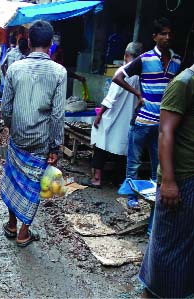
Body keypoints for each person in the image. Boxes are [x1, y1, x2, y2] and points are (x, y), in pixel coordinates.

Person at [0, 20, 66, 247]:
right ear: (50, 44)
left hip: (17, 138)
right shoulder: (59, 72)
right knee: (32, 186)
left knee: (13, 180)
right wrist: (55, 146)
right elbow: (58, 115)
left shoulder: (14, 68)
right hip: (41, 141)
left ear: (28, 41)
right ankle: (23, 232)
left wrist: (13, 127)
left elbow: (5, 108)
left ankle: (11, 224)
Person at [112, 17, 181, 209]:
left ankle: (155, 196)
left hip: (164, 124)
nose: (167, 37)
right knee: (133, 163)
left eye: (169, 34)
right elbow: (118, 77)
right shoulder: (144, 59)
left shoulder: (177, 60)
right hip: (143, 121)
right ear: (155, 37)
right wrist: (138, 94)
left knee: (158, 164)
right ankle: (131, 197)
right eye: (163, 34)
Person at [138, 63, 194, 298]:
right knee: (166, 247)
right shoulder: (184, 83)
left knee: (183, 247)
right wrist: (169, 181)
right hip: (181, 178)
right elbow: (165, 131)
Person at [85, 42, 143, 188]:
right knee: (123, 149)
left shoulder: (123, 72)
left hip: (112, 116)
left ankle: (97, 179)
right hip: (128, 117)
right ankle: (119, 180)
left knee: (101, 144)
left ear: (126, 55)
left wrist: (99, 115)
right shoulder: (139, 74)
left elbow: (111, 98)